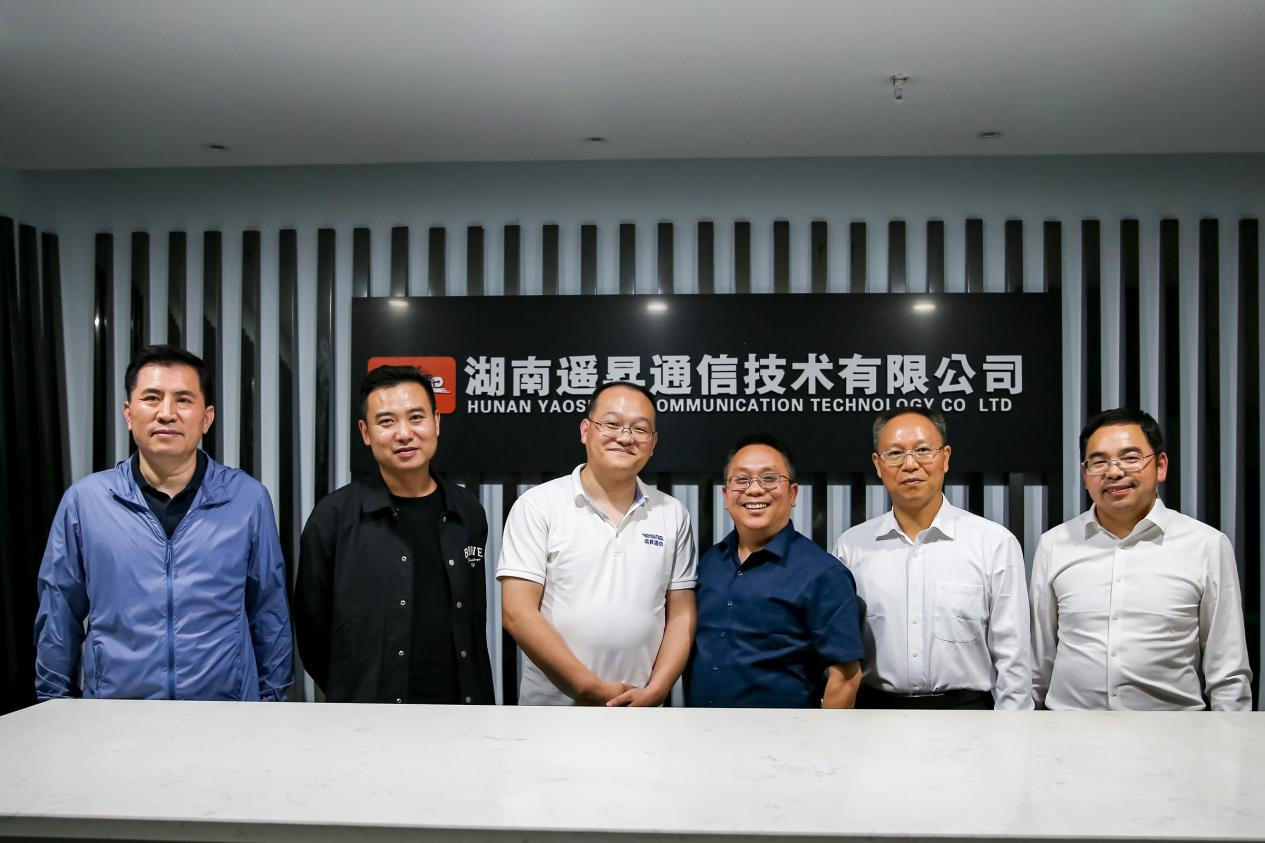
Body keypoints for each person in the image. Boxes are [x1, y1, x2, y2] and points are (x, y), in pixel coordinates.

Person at [34, 344, 291, 700]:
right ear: (128, 413)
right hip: (116, 713)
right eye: (152, 398)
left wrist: (271, 705)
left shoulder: (247, 499)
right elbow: (58, 612)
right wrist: (53, 704)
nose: (166, 413)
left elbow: (269, 612)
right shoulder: (86, 502)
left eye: (183, 400)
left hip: (224, 714)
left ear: (207, 418)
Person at [1030, 407, 1252, 710]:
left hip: (1173, 732)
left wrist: (1231, 734)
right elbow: (1038, 663)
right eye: (1099, 462)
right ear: (1085, 476)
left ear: (1160, 466)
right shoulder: (1055, 544)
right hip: (1069, 729)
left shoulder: (1206, 545)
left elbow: (1228, 671)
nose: (1114, 472)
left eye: (1130, 458)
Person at [295, 365, 493, 704]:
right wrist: (354, 689)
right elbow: (311, 630)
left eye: (416, 418)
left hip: (460, 711)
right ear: (365, 432)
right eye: (386, 421)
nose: (404, 433)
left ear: (436, 422)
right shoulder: (334, 517)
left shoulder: (468, 511)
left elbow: (471, 620)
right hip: (367, 716)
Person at [497, 381, 696, 706]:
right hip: (552, 713)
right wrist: (588, 688)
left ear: (653, 442)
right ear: (585, 430)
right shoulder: (538, 505)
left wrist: (657, 691)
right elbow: (517, 613)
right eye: (612, 424)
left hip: (642, 712)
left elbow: (681, 615)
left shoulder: (672, 514)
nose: (625, 437)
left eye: (639, 429)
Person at [833, 407, 1032, 710]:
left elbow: (1013, 654)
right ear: (878, 464)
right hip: (876, 714)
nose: (910, 464)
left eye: (923, 450)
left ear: (945, 457)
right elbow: (841, 651)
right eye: (895, 453)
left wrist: (1013, 728)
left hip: (966, 714)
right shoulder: (852, 547)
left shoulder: (993, 543)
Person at [687, 434, 863, 708]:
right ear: (725, 495)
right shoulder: (709, 564)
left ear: (792, 494)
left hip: (786, 732)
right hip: (700, 729)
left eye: (769, 478)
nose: (755, 490)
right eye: (742, 479)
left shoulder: (824, 574)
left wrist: (828, 735)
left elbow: (846, 678)